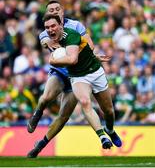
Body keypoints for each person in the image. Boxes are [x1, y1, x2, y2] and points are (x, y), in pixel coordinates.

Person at [27, 14, 122, 158]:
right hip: (76, 76)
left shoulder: (71, 34)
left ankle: (109, 129)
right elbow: (44, 40)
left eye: (53, 26)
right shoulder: (45, 36)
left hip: (94, 72)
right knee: (83, 102)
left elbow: (72, 59)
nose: (50, 29)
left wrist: (53, 62)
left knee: (108, 111)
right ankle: (102, 136)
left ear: (61, 25)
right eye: (47, 27)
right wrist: (47, 43)